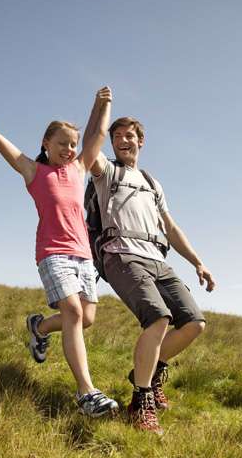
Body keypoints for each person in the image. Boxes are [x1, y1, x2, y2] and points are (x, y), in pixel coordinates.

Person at [0, 87, 119, 418]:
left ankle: (40, 328)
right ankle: (87, 393)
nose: (69, 148)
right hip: (53, 252)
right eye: (62, 143)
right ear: (46, 142)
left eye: (72, 144)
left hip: (83, 255)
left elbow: (98, 133)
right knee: (74, 313)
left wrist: (102, 104)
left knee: (86, 319)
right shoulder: (34, 172)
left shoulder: (78, 169)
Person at [88, 116, 216, 434]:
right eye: (116, 136)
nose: (122, 141)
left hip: (157, 259)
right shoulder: (106, 171)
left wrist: (198, 262)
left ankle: (148, 371)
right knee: (158, 318)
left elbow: (170, 228)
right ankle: (141, 401)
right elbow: (90, 146)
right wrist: (102, 110)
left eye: (129, 135)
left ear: (140, 141)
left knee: (194, 323)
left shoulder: (151, 181)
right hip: (121, 256)